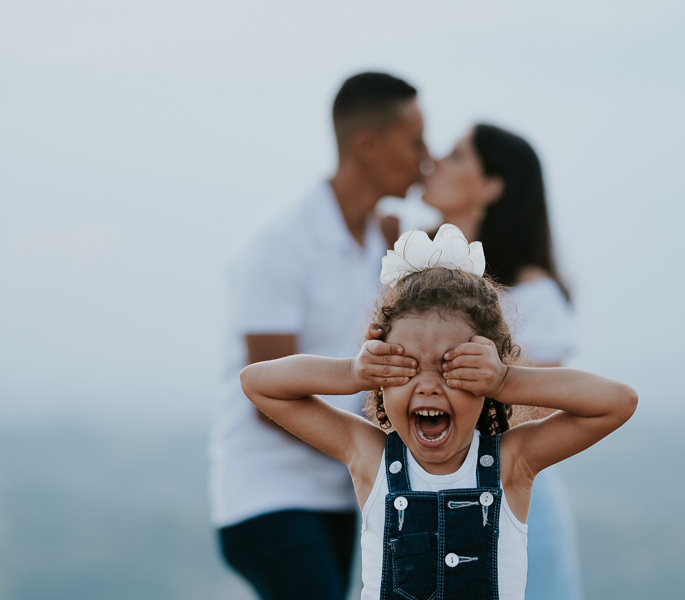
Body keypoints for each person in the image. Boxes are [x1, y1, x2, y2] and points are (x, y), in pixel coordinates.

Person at [240, 225, 637, 600]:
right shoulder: (370, 457)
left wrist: (504, 380)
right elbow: (258, 383)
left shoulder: (513, 464)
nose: (428, 385)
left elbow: (617, 402)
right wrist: (351, 372)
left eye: (452, 367)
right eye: (407, 367)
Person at [209, 72, 428, 599]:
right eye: (415, 140)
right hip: (266, 495)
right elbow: (265, 398)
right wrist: (372, 445)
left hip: (338, 491)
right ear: (368, 147)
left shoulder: (388, 241)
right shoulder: (280, 242)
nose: (428, 157)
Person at [421, 123, 581, 598]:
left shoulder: (532, 293)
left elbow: (546, 411)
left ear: (491, 186)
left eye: (454, 157)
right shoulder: (412, 267)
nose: (433, 162)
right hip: (416, 498)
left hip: (508, 502)